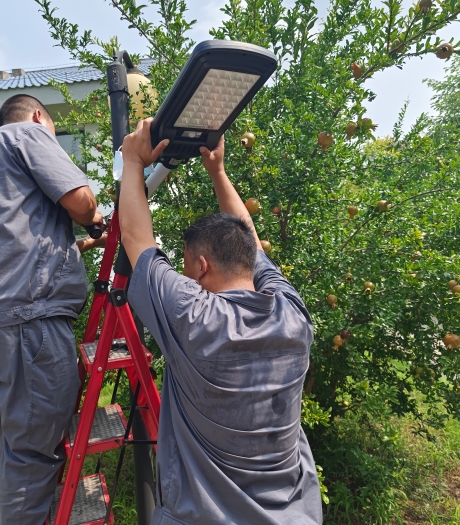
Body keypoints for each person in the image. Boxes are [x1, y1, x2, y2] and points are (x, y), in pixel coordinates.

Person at [118, 119, 323, 525]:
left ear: (201, 265)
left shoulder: (194, 317)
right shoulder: (292, 314)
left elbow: (136, 240)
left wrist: (130, 159)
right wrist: (218, 171)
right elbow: (250, 237)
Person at [0, 94, 105, 525]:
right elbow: (81, 201)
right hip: (30, 319)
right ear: (41, 117)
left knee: (19, 440)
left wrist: (76, 246)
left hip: (6, 317)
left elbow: (17, 241)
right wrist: (96, 218)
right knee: (35, 450)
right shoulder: (24, 133)